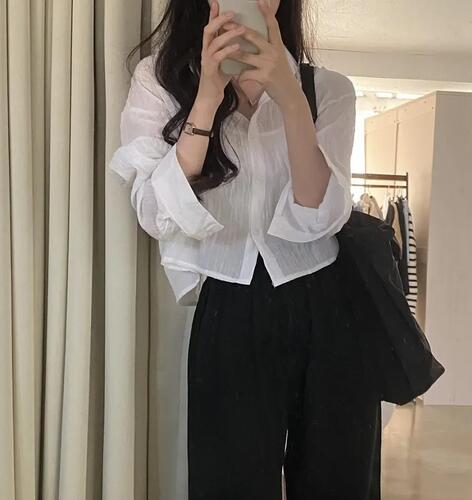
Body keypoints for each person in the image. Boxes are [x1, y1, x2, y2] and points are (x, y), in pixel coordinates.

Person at [109, 1, 381, 498]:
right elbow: (155, 212)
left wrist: (290, 97)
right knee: (228, 484)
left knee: (337, 482)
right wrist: (207, 97)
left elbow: (319, 215)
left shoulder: (330, 90)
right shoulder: (160, 81)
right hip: (229, 307)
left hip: (332, 308)